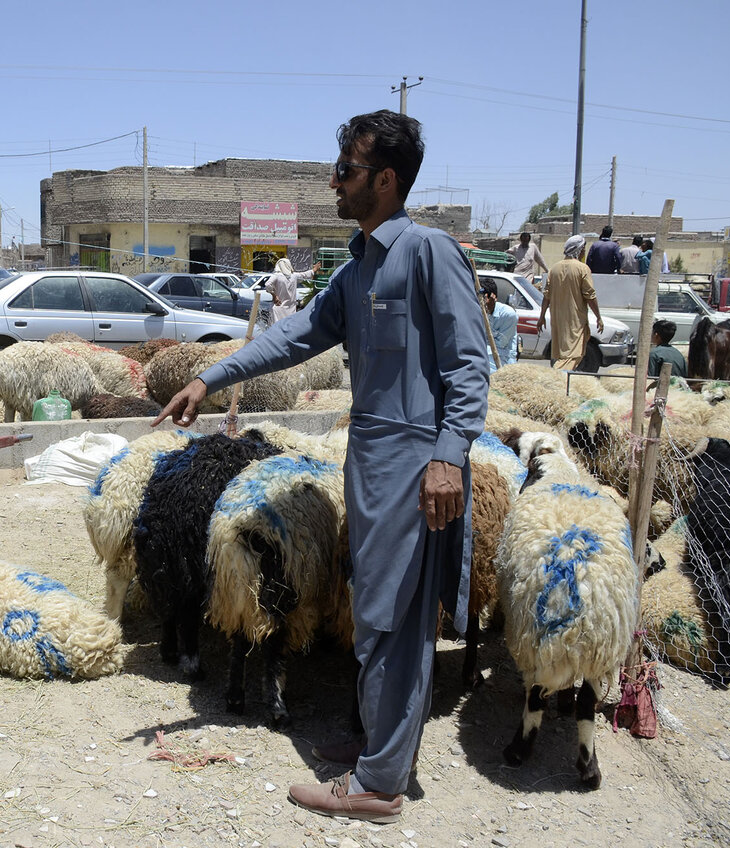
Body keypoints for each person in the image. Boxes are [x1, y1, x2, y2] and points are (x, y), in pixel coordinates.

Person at [153, 110, 489, 824]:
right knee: (373, 611)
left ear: (386, 180)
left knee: (395, 617)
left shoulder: (429, 253)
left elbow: (469, 366)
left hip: (413, 465)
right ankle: (382, 745)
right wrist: (210, 378)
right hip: (369, 460)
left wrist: (449, 457)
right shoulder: (358, 264)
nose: (332, 182)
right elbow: (296, 336)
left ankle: (378, 785)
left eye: (345, 170)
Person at [541, 235, 603, 370]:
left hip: (558, 320)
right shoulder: (582, 268)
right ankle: (557, 377)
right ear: (579, 250)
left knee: (562, 354)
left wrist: (542, 317)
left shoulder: (554, 269)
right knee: (572, 355)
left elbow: (546, 296)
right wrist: (598, 317)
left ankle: (561, 379)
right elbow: (590, 296)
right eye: (583, 249)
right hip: (575, 320)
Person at [264, 257, 321, 321]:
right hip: (291, 309)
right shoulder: (294, 276)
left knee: (277, 328)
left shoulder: (276, 276)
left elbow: (267, 285)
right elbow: (305, 275)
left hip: (278, 308)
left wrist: (274, 295)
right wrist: (314, 269)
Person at [479, 278, 518, 370]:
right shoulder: (476, 312)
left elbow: (500, 344)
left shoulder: (508, 314)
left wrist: (488, 314)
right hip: (483, 353)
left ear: (491, 297)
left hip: (502, 358)